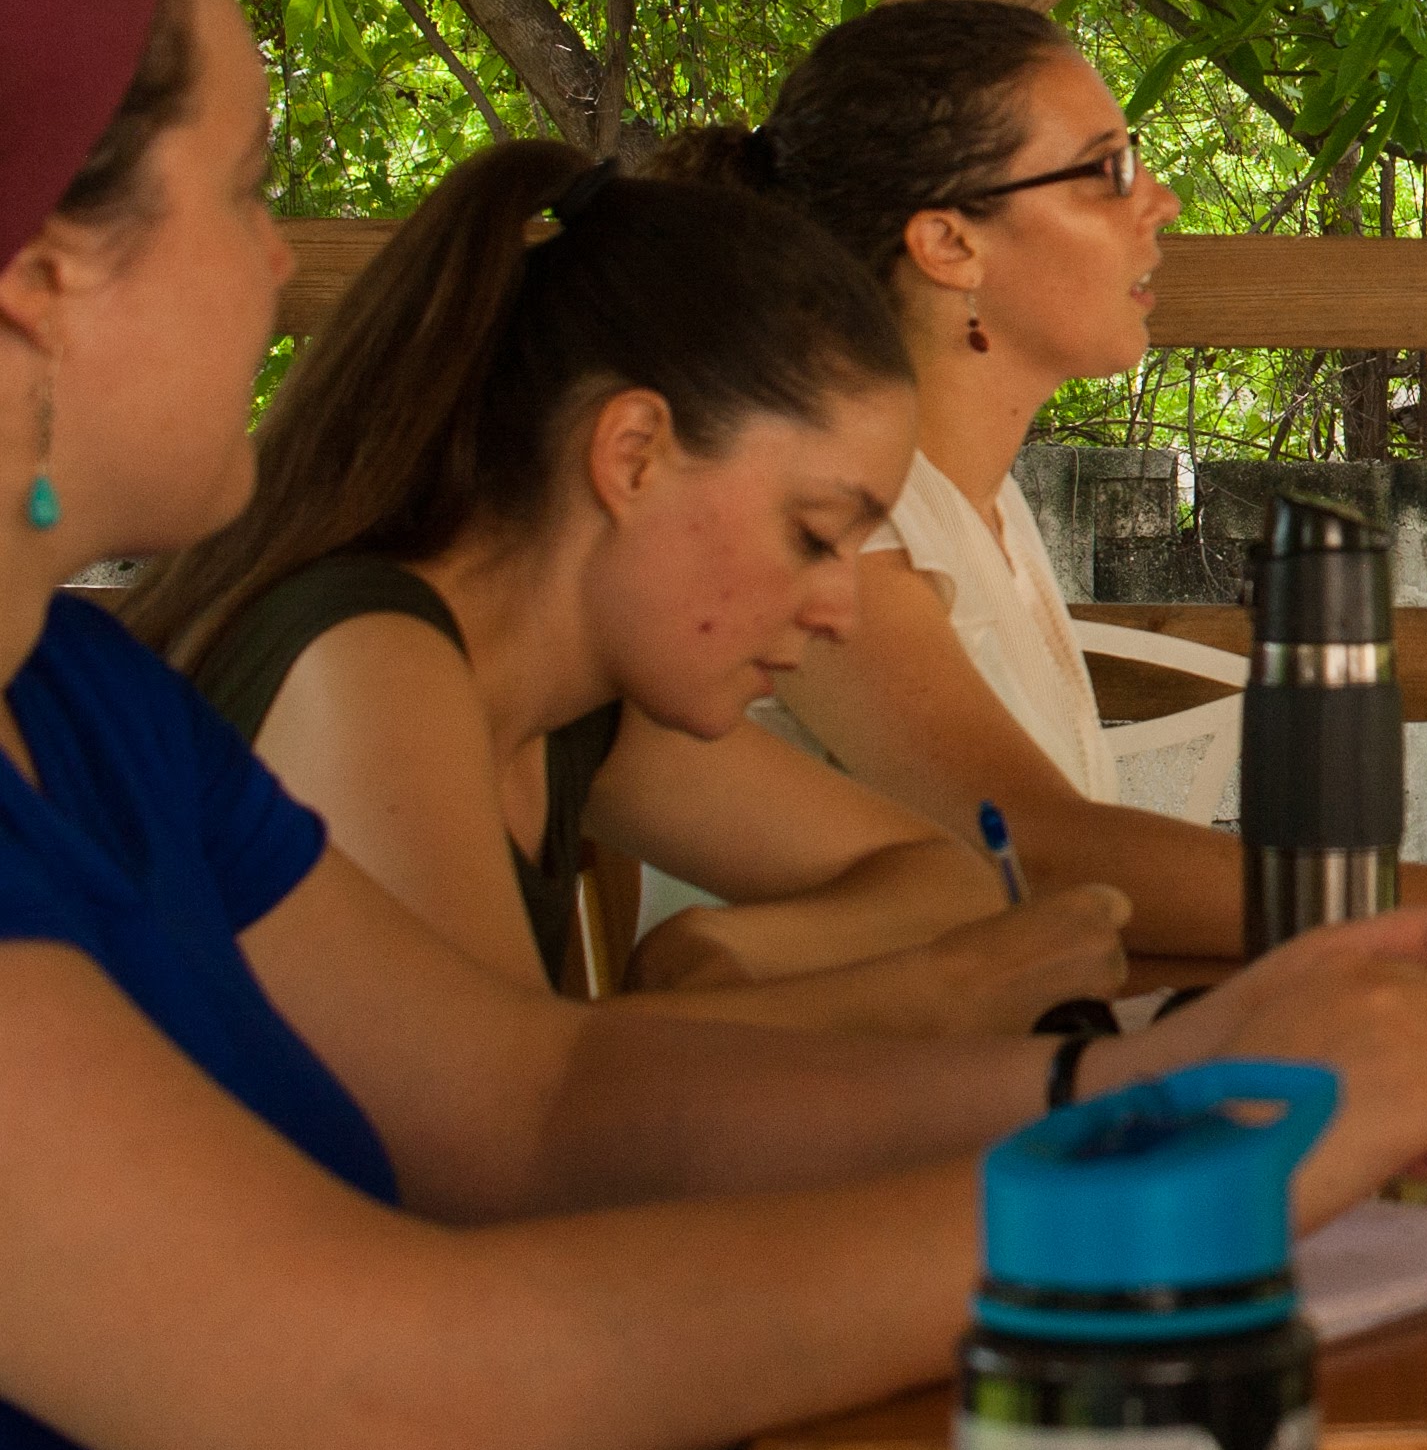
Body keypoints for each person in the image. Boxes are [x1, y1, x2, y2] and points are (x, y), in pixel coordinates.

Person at [0, 0, 1427, 1450]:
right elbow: (377, 1384)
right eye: (241, 189)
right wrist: (1176, 1190)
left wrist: (1163, 1077)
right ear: (36, 278)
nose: (284, 256)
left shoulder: (86, 705)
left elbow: (536, 1106)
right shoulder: (323, 662)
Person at [666, 0, 1427, 964]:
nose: (1164, 201)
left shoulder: (980, 502)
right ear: (949, 241)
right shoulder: (846, 520)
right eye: (1106, 171)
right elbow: (1035, 847)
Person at [129, 142, 1125, 1031]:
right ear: (635, 453)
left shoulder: (572, 711)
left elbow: (943, 876)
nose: (837, 609)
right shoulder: (365, 659)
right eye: (814, 533)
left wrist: (738, 952)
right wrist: (939, 990)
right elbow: (515, 1131)